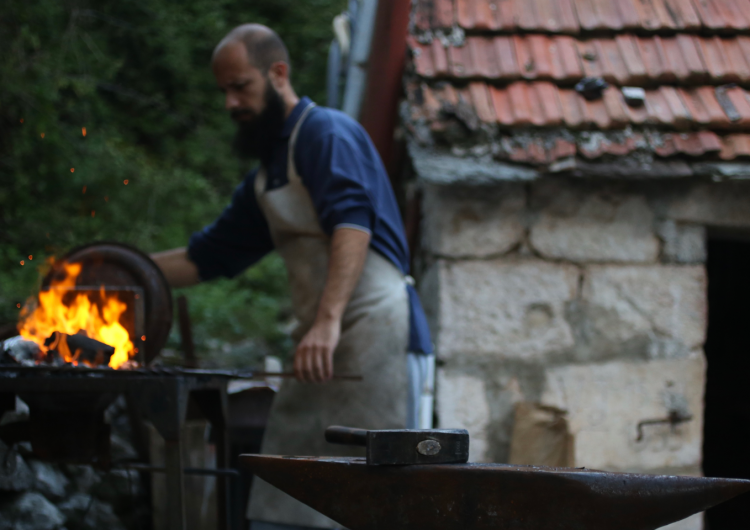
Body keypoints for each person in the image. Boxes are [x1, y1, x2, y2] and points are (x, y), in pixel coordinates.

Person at [151, 24, 433, 530]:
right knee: (287, 507)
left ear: (277, 73)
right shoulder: (266, 177)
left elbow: (352, 222)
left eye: (241, 86)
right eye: (224, 91)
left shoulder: (327, 133)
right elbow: (206, 257)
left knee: (372, 506)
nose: (230, 103)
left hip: (376, 345)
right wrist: (118, 270)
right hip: (319, 357)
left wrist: (326, 323)